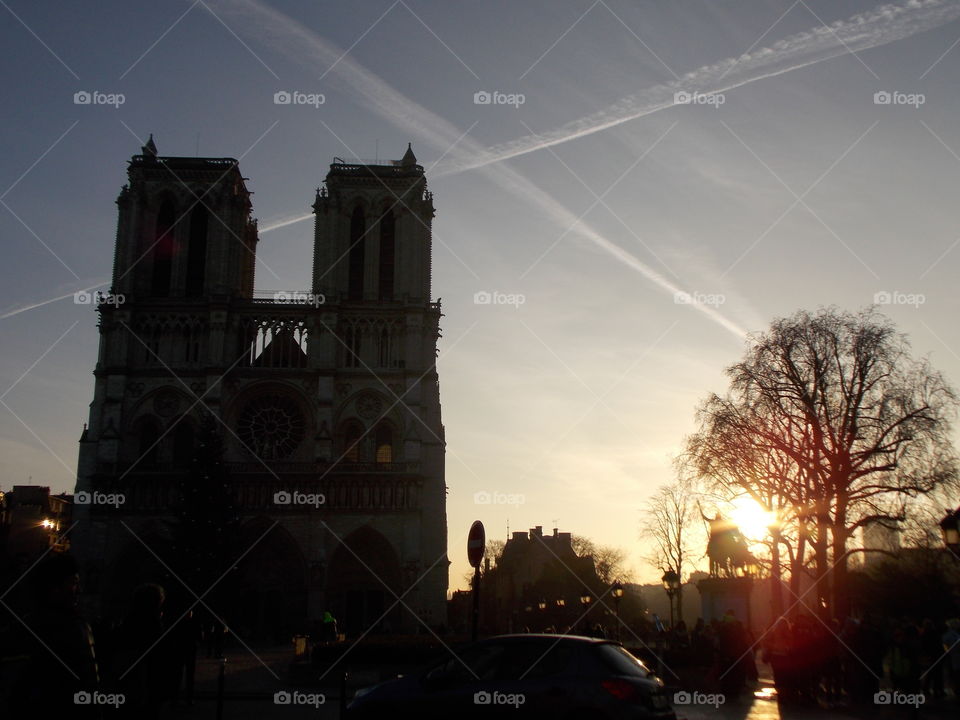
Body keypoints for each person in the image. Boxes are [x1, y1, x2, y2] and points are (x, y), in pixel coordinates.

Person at [10, 553, 102, 718]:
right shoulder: (70, 627)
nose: (79, 590)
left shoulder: (27, 626)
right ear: (54, 588)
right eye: (73, 583)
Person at [942, 618, 960, 698]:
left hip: (955, 658)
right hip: (952, 658)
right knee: (953, 674)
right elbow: (945, 645)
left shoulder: (955, 634)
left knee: (955, 674)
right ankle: (955, 689)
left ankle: (956, 689)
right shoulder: (949, 635)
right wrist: (948, 652)